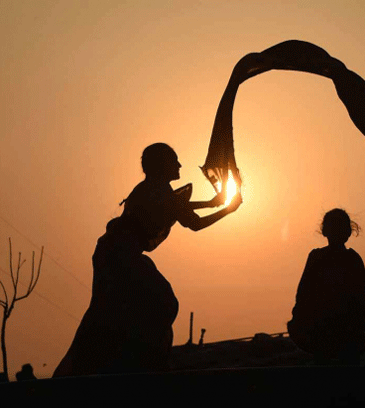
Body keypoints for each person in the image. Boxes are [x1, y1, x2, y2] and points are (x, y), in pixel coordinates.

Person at [53, 143, 242, 377]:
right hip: (120, 256)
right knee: (157, 303)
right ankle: (142, 361)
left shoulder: (155, 190)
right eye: (174, 160)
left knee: (122, 309)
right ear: (163, 166)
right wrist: (227, 209)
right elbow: (193, 222)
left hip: (115, 254)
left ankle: (130, 358)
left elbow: (177, 208)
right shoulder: (158, 191)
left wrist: (214, 203)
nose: (179, 165)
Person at [287, 209, 365, 365]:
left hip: (330, 333)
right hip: (339, 333)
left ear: (324, 231)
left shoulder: (320, 258)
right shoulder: (352, 260)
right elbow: (363, 300)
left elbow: (303, 295)